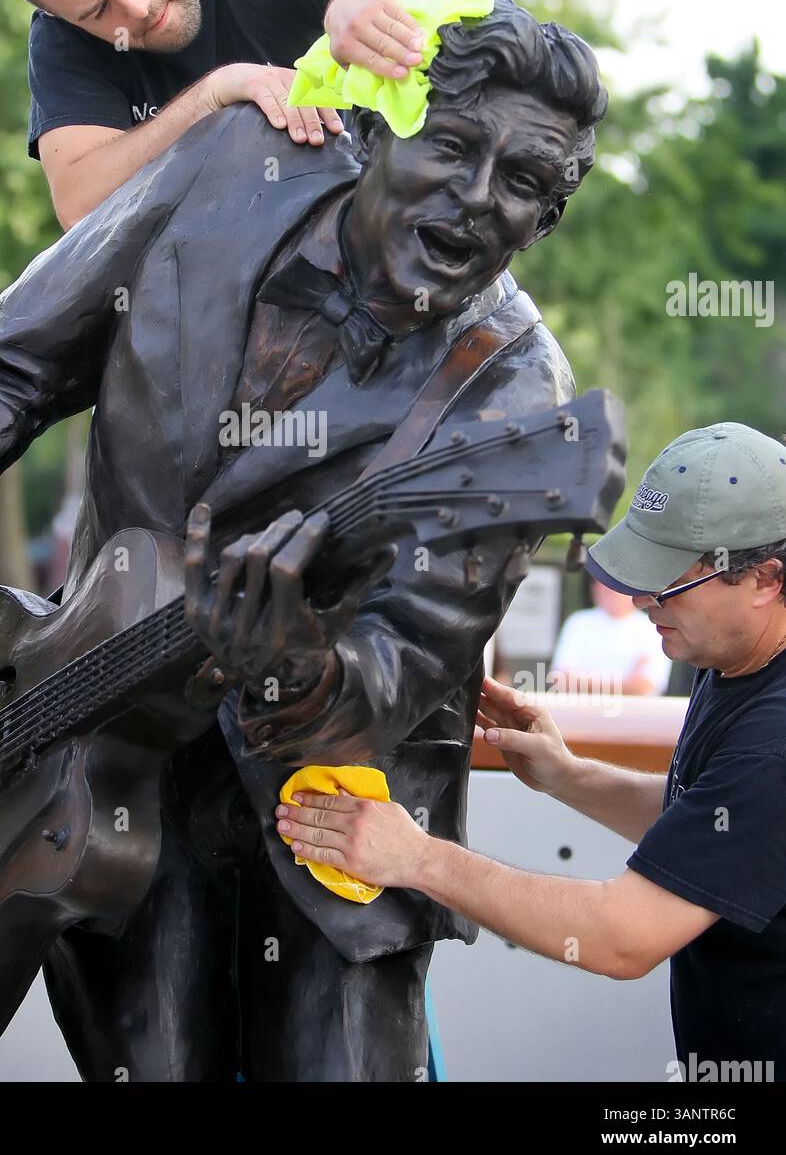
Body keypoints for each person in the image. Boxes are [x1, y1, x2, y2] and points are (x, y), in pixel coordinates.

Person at [0, 0, 608, 1081]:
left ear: (547, 220)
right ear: (381, 123)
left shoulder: (520, 408)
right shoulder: (229, 169)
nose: (478, 200)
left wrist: (295, 666)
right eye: (454, 145)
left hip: (336, 816)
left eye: (524, 183)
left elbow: (398, 663)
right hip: (91, 770)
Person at [279, 423, 786, 1077]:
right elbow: (712, 825)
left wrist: (418, 859)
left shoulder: (773, 744)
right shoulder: (738, 656)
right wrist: (567, 776)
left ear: (766, 579)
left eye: (668, 585)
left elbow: (622, 937)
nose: (637, 603)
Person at [0, 0, 457, 228]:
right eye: (98, 11)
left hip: (374, 220)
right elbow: (79, 204)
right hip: (198, 295)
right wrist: (215, 95)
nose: (136, 8)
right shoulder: (60, 38)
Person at [550, 575, 671, 695]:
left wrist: (584, 682)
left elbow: (645, 686)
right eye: (603, 583)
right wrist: (626, 683)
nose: (608, 590)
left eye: (615, 586)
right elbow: (560, 680)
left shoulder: (651, 627)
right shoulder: (577, 622)